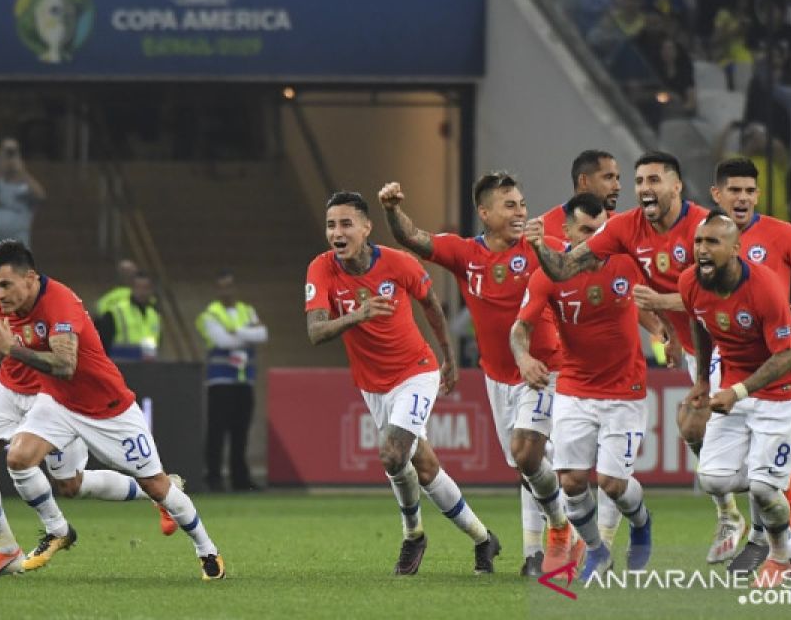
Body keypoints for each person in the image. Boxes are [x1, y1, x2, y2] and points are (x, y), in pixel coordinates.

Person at [0, 207, 182, 578]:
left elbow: (1, 344)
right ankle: (9, 549)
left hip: (46, 388)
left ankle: (156, 490)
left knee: (69, 483)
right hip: (10, 383)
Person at [527, 152, 750, 565]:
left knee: (712, 437)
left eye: (655, 180)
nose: (645, 188)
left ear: (677, 186)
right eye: (639, 180)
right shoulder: (625, 228)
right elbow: (563, 269)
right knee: (695, 432)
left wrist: (663, 304)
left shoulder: (702, 228)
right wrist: (540, 248)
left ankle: (753, 512)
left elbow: (720, 292)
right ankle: (770, 518)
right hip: (700, 347)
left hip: (735, 342)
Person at [0, 239, 226, 580]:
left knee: (157, 486)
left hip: (108, 408)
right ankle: (58, 531)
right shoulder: (1, 307)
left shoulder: (61, 303)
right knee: (25, 462)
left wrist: (12, 349)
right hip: (57, 403)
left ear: (31, 278)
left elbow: (65, 364)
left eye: (6, 284)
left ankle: (207, 550)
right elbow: (1, 346)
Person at [380, 173, 578, 578]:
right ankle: (538, 549)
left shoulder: (541, 246)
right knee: (525, 463)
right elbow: (414, 238)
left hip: (544, 369)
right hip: (497, 378)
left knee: (528, 454)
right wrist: (391, 209)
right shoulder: (465, 253)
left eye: (522, 203)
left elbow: (575, 269)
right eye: (510, 205)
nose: (521, 212)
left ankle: (560, 528)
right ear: (484, 213)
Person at [306, 191, 500, 575]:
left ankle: (413, 536)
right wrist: (357, 315)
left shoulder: (398, 263)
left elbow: (431, 305)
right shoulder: (322, 268)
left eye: (346, 224)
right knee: (423, 466)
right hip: (372, 384)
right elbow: (315, 332)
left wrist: (446, 356)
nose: (337, 232)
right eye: (331, 225)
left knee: (393, 454)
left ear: (366, 228)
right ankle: (483, 539)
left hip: (416, 371)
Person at [682, 210, 791, 585]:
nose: (702, 250)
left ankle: (782, 558)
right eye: (699, 242)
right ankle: (789, 482)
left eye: (712, 242)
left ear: (736, 248)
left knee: (763, 488)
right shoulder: (690, 281)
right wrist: (704, 380)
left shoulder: (764, 287)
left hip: (783, 390)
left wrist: (735, 392)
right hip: (736, 384)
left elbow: (785, 357)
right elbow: (700, 323)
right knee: (713, 480)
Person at [512, 192, 656, 580]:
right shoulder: (547, 275)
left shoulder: (626, 261)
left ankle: (641, 521)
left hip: (625, 390)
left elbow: (654, 299)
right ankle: (596, 549)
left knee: (612, 484)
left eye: (602, 231)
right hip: (575, 388)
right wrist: (524, 358)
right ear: (567, 231)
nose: (596, 241)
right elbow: (520, 328)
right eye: (587, 231)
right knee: (571, 481)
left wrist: (665, 333)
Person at [198, 271, 266, 491]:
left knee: (241, 432)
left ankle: (240, 479)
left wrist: (236, 331)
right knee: (217, 431)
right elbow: (222, 340)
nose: (226, 291)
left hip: (244, 381)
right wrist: (247, 333)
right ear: (217, 290)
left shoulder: (247, 310)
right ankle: (214, 477)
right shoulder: (210, 314)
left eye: (229, 286)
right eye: (222, 287)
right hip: (220, 381)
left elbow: (263, 334)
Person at [537, 149, 620, 241]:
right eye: (608, 177)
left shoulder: (623, 227)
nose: (617, 187)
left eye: (617, 178)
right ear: (584, 181)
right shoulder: (542, 230)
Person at [0, 138, 45, 248]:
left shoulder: (26, 182)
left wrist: (22, 171)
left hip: (18, 238)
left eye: (13, 152)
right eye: (7, 152)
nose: (10, 157)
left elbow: (41, 195)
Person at [98, 271, 162, 359]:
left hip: (147, 365)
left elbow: (158, 342)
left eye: (145, 288)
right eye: (138, 287)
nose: (142, 292)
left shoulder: (154, 314)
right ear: (132, 289)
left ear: (151, 290)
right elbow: (102, 343)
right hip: (121, 363)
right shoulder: (117, 312)